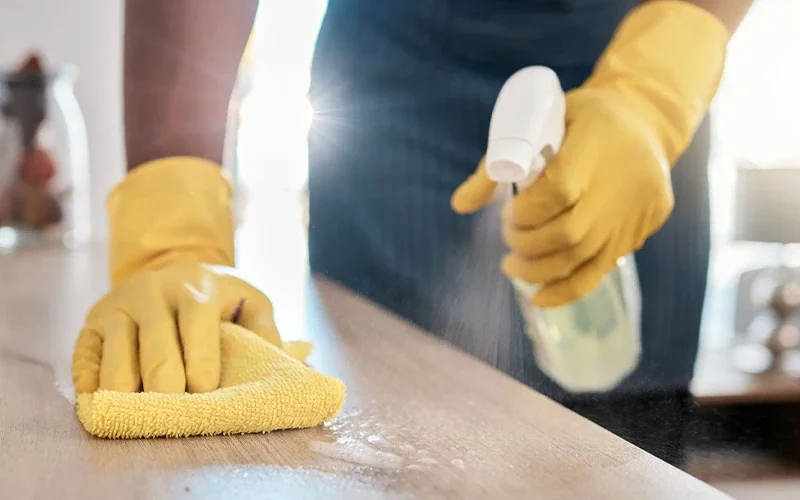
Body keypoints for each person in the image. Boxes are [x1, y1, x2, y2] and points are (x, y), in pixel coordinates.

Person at [72, 0, 753, 466]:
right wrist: (174, 226)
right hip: (391, 86)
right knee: (387, 442)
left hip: (636, 60)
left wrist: (656, 88)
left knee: (620, 451)